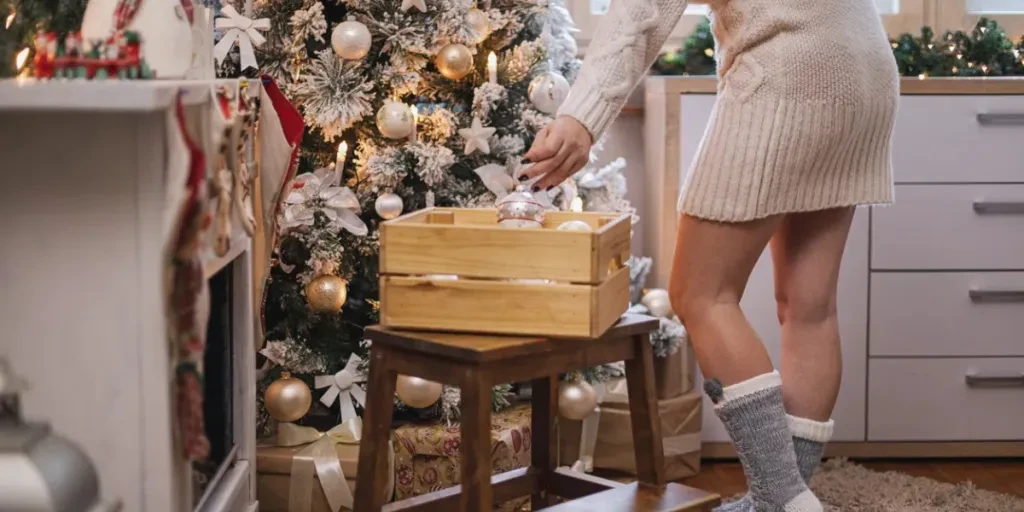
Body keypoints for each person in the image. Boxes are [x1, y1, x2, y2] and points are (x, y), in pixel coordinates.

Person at [520, 1, 899, 510]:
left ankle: (781, 497)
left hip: (788, 71)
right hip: (864, 66)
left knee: (700, 294)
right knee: (809, 304)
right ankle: (788, 495)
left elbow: (643, 12)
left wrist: (581, 120)